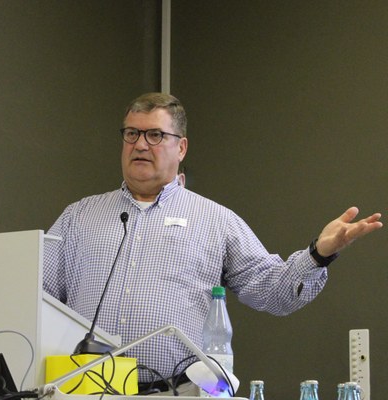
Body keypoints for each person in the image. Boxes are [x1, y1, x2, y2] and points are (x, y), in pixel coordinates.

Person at [43, 92, 382, 394]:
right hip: (83, 391)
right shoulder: (79, 216)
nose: (141, 145)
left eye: (155, 135)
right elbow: (36, 296)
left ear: (182, 147)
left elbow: (271, 290)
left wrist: (318, 254)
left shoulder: (215, 220)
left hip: (176, 392)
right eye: (132, 134)